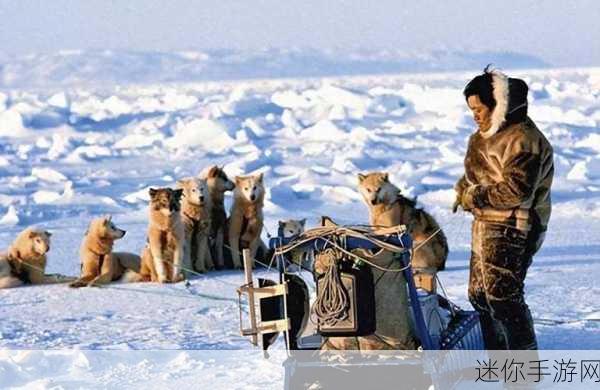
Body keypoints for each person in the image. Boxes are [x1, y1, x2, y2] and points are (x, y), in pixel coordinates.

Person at [453, 66, 554, 350]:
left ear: (499, 106)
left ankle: (522, 371)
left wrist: (474, 197)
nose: (475, 115)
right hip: (486, 224)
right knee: (480, 295)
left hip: (516, 225)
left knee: (503, 298)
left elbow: (516, 190)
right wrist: (464, 188)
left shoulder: (524, 139)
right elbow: (482, 173)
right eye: (471, 109)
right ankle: (498, 362)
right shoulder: (484, 135)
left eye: (480, 109)